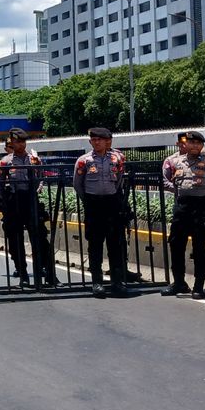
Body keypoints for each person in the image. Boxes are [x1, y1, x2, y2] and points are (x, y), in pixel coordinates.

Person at [161, 131, 205, 298]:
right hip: (182, 208)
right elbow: (165, 180)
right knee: (176, 245)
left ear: (202, 145)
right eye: (190, 142)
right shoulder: (175, 161)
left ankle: (198, 286)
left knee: (200, 248)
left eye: (197, 143)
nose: (194, 145)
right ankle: (178, 282)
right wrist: (178, 191)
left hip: (201, 208)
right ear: (184, 144)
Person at [0, 128, 56, 287]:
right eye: (17, 142)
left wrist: (35, 192)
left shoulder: (34, 159)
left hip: (30, 200)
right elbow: (0, 184)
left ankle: (49, 274)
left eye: (23, 141)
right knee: (15, 241)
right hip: (13, 201)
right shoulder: (5, 162)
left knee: (40, 239)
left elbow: (40, 178)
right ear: (12, 142)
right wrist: (6, 201)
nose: (20, 145)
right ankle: (23, 273)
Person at [74, 127, 129, 298]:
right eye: (94, 140)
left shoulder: (116, 159)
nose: (97, 142)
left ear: (107, 141)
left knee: (115, 243)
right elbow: (78, 184)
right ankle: (97, 282)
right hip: (93, 204)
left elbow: (119, 180)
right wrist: (89, 201)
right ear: (90, 142)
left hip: (112, 203)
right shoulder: (84, 161)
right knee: (95, 245)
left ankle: (117, 282)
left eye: (100, 139)